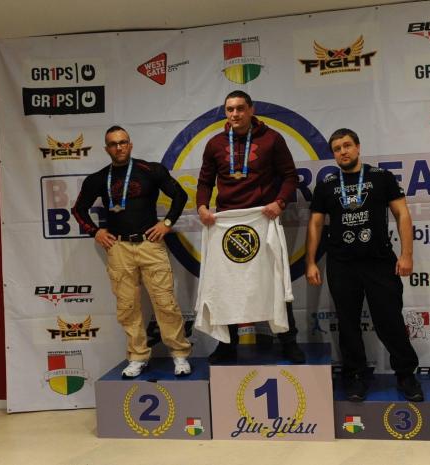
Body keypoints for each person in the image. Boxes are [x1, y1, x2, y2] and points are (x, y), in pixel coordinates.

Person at [305, 128, 423, 402]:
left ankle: (406, 374)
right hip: (342, 264)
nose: (343, 152)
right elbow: (316, 224)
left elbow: (402, 214)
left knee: (390, 320)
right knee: (347, 324)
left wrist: (407, 255)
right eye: (337, 149)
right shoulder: (326, 185)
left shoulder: (381, 177)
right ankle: (355, 376)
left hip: (379, 261)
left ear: (358, 147)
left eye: (347, 145)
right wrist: (310, 262)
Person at [72, 125, 192, 378]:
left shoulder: (151, 170)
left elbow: (180, 196)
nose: (119, 147)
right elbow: (78, 210)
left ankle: (179, 354)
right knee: (127, 307)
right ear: (106, 149)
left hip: (150, 245)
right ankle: (137, 356)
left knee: (165, 303)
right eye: (113, 144)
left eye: (123, 142)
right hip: (118, 248)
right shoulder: (97, 179)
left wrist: (167, 223)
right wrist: (95, 231)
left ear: (130, 144)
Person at [196, 90, 305, 364]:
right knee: (227, 285)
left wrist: (280, 202)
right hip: (227, 225)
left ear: (251, 109)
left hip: (262, 220)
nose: (235, 114)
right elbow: (205, 181)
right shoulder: (214, 144)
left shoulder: (272, 139)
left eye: (240, 108)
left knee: (273, 280)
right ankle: (226, 345)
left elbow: (290, 177)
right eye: (230, 109)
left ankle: (288, 341)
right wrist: (202, 207)